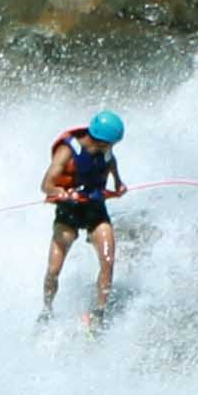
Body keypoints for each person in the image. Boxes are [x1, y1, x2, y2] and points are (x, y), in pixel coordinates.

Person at [40, 110, 129, 318]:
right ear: (99, 140)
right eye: (110, 144)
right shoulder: (67, 150)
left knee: (108, 260)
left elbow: (111, 161)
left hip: (95, 209)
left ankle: (99, 313)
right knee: (53, 269)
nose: (112, 147)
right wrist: (60, 192)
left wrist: (118, 183)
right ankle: (46, 310)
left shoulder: (107, 149)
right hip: (68, 211)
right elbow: (46, 185)